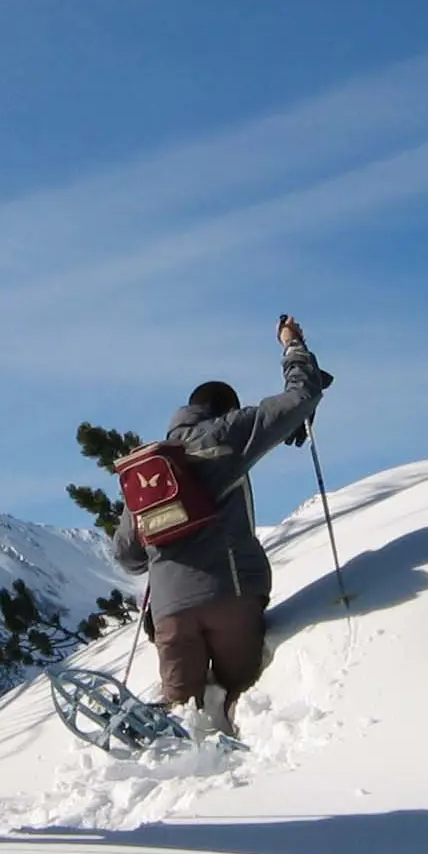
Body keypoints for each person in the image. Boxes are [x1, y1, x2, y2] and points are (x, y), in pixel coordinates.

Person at [111, 315, 328, 738]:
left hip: (170, 614)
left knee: (182, 716)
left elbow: (127, 555)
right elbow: (302, 395)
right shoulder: (229, 433)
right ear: (227, 408)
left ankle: (174, 772)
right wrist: (293, 345)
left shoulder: (150, 468)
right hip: (230, 595)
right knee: (244, 693)